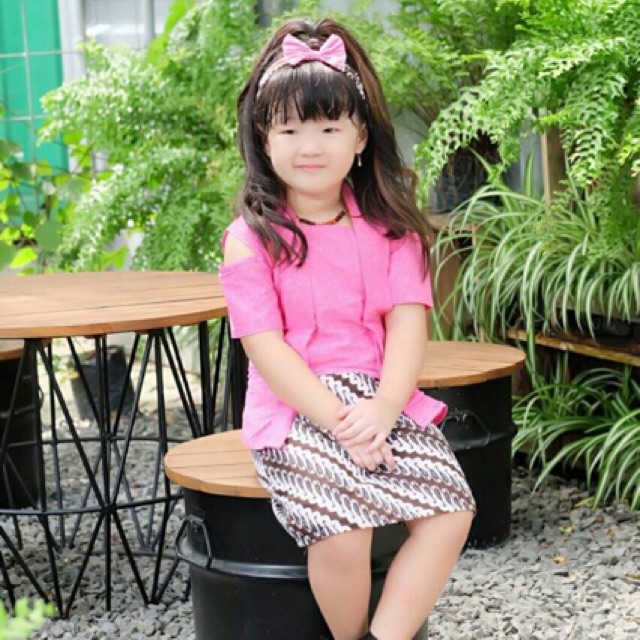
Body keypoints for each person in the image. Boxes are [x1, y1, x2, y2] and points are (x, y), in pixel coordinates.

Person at [219, 16, 476, 640]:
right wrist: (340, 423)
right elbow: (266, 348)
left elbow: (408, 325)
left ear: (360, 137)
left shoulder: (392, 230)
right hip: (296, 406)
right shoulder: (250, 239)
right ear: (264, 138)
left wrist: (384, 408)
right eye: (290, 129)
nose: (310, 146)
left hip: (382, 396)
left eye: (329, 128)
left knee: (451, 509)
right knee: (343, 525)